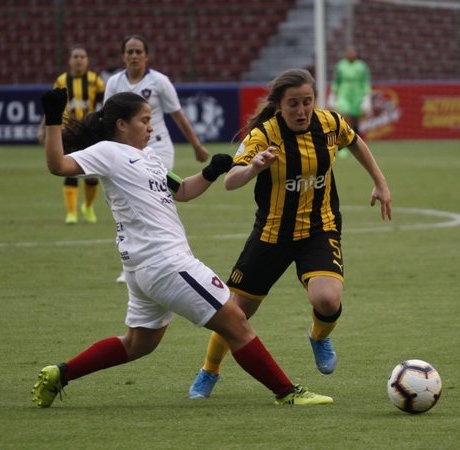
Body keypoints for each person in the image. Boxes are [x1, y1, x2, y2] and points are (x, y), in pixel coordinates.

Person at [31, 87, 334, 408]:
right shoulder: (108, 151)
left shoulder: (149, 159)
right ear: (122, 124)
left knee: (137, 344)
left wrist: (210, 172)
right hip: (165, 262)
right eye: (145, 121)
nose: (151, 127)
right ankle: (287, 393)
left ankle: (59, 374)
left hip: (145, 268)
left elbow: (183, 191)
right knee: (237, 323)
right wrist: (52, 119)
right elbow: (58, 166)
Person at [188, 68, 392, 399]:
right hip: (272, 235)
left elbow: (355, 142)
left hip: (319, 228)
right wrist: (254, 167)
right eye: (293, 104)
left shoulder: (330, 124)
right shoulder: (263, 135)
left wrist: (380, 182)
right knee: (235, 313)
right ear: (279, 105)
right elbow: (230, 180)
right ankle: (209, 370)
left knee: (327, 299)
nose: (301, 111)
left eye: (307, 102)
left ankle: (318, 336)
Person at [105, 34, 209, 282]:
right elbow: (106, 118)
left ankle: (168, 252)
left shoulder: (160, 81)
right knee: (125, 201)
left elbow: (178, 115)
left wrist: (196, 145)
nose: (133, 56)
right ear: (123, 56)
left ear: (146, 56)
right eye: (129, 52)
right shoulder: (114, 83)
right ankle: (131, 257)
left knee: (153, 197)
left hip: (158, 149)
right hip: (126, 151)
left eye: (138, 51)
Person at [37, 44, 105, 224]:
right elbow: (52, 107)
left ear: (87, 60)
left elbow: (103, 106)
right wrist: (43, 127)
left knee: (91, 176)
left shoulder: (95, 80)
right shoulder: (61, 80)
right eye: (75, 56)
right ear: (70, 60)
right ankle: (72, 212)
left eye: (82, 56)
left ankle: (88, 207)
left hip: (89, 131)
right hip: (68, 132)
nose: (79, 60)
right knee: (69, 171)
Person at [329, 45, 372, 157]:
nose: (350, 54)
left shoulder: (362, 67)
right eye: (348, 51)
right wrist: (333, 95)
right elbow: (336, 82)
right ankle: (344, 146)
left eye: (352, 51)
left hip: (357, 96)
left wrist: (367, 98)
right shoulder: (340, 66)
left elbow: (365, 82)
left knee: (355, 122)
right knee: (345, 118)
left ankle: (356, 144)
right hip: (344, 95)